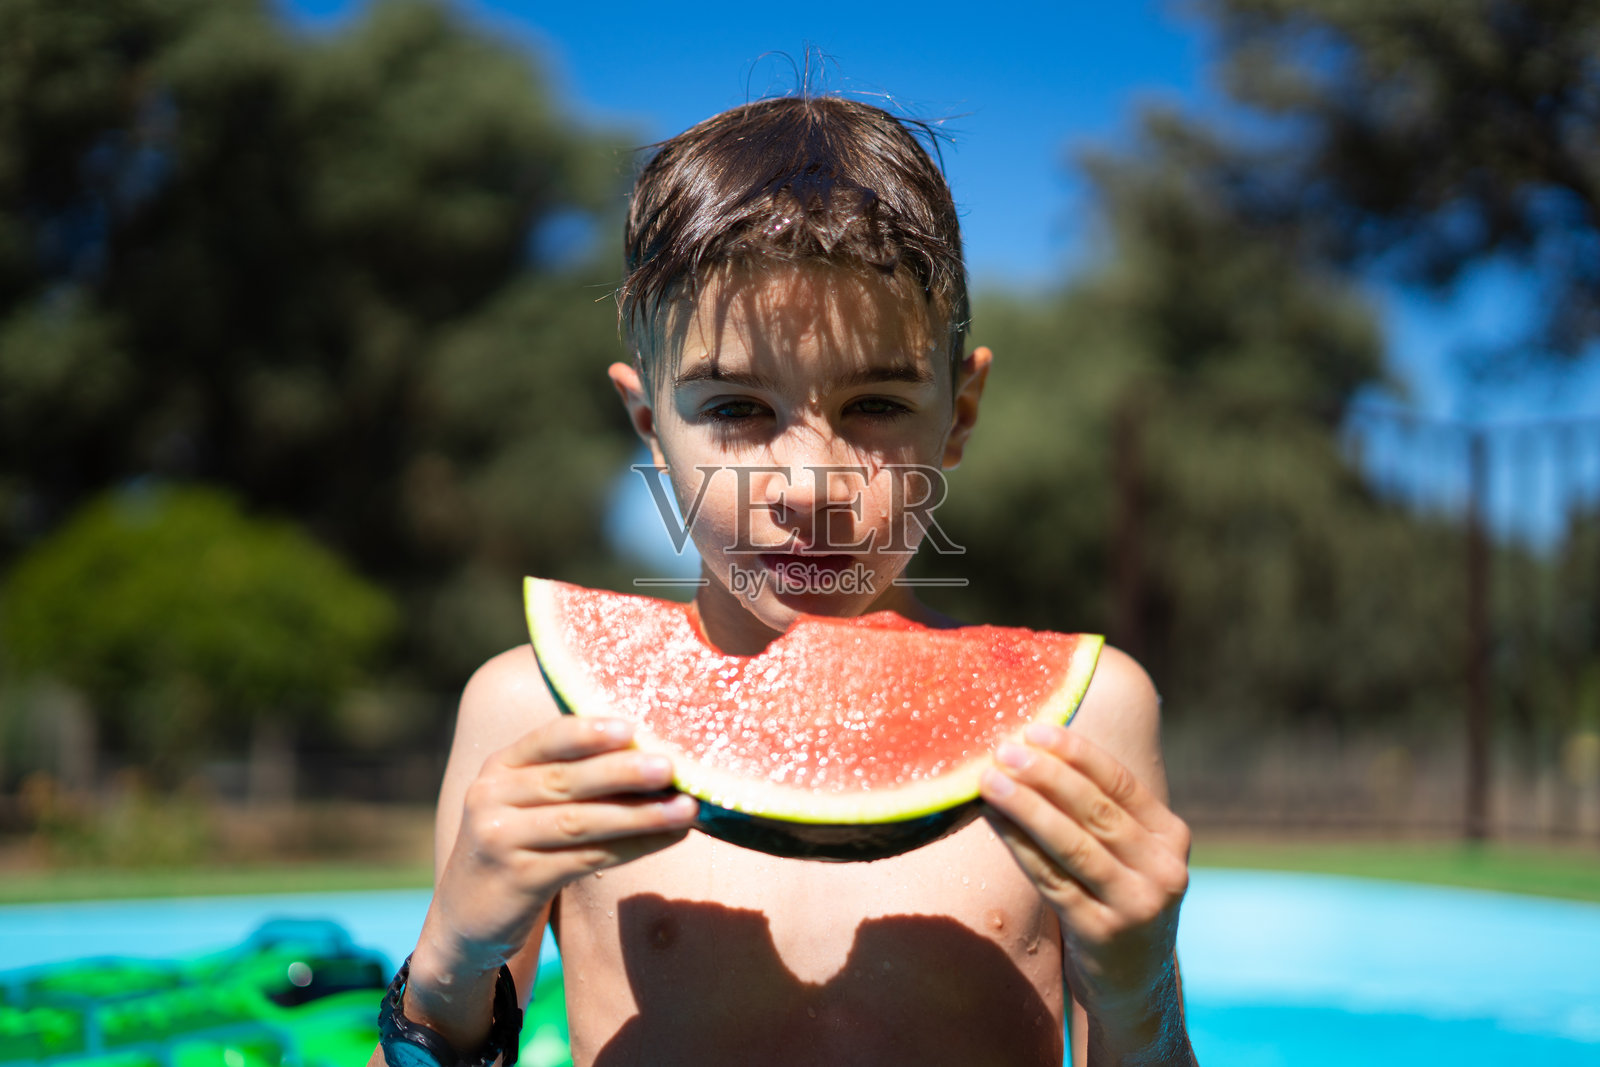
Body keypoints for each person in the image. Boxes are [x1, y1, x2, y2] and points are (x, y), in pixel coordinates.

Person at [371, 95, 1195, 1067]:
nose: (809, 486)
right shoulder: (529, 710)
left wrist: (1139, 993)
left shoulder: (1087, 719)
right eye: (736, 406)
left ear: (959, 413)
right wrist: (448, 967)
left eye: (878, 401)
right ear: (648, 427)